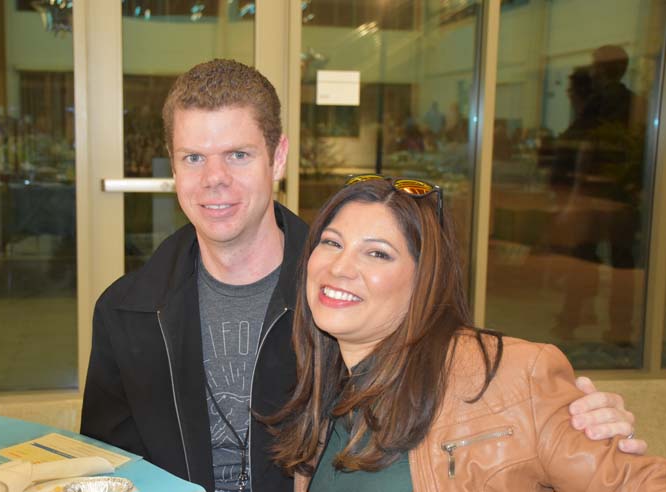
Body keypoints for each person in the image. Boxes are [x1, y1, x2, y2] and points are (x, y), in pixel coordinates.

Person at [80, 59, 646, 492]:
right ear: (171, 167)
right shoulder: (127, 312)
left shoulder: (341, 298)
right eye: (193, 158)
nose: (214, 181)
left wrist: (565, 421)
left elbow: (467, 378)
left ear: (277, 158)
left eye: (238, 155)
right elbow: (105, 467)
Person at [268, 177, 665, 491]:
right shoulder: (324, 393)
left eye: (377, 253)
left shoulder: (509, 377)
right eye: (332, 243)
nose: (339, 267)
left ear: (425, 279)